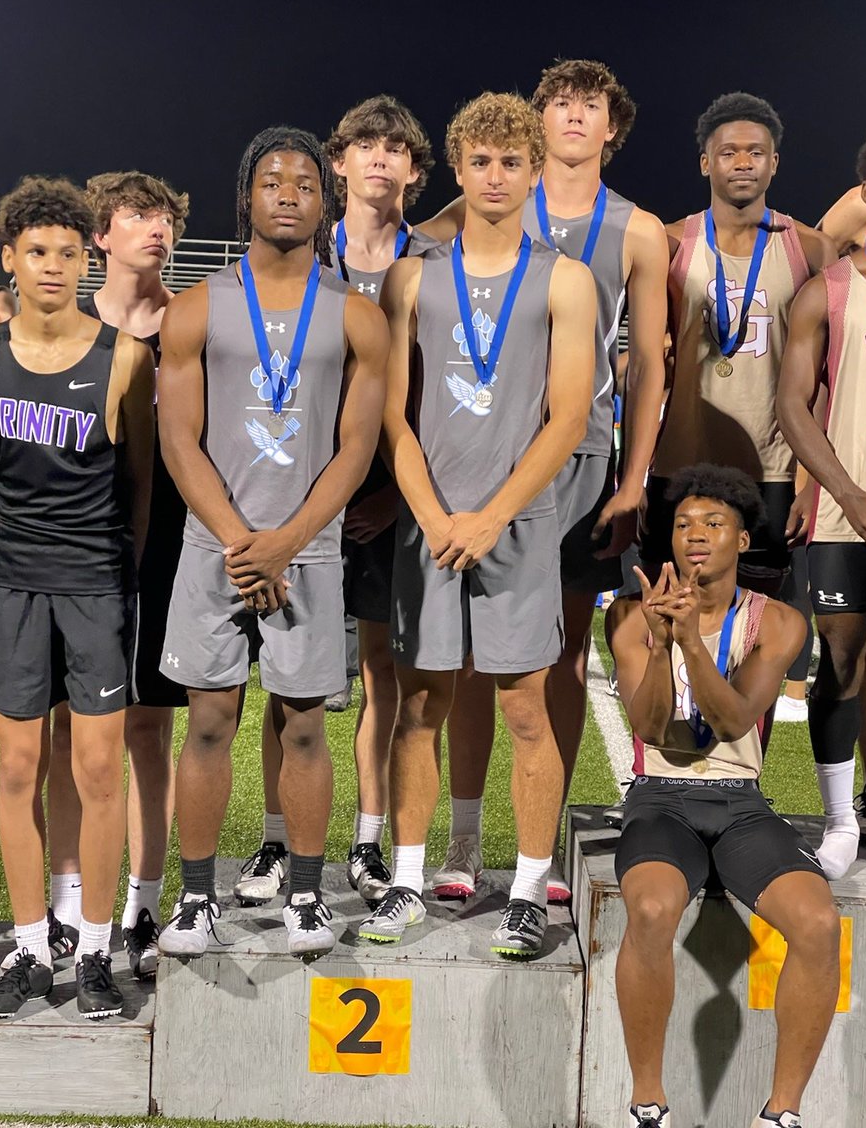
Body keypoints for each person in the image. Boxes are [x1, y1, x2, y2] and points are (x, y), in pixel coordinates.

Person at [423, 59, 669, 902]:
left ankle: (544, 841)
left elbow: (649, 365)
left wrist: (634, 477)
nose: (571, 116)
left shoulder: (638, 229)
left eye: (589, 104)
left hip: (581, 458)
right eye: (558, 102)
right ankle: (463, 841)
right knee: (468, 655)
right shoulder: (488, 197)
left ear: (612, 125)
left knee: (558, 654)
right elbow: (408, 253)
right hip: (481, 454)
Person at [359, 92, 596, 957]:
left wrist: (493, 517)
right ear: (457, 170)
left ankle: (527, 890)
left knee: (527, 705)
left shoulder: (565, 279)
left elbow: (569, 419)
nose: (496, 176)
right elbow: (391, 416)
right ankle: (407, 881)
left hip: (517, 524)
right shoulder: (412, 277)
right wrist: (432, 516)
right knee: (419, 703)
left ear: (535, 172)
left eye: (512, 162)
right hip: (430, 523)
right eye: (482, 162)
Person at [155, 126, 388, 961]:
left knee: (303, 729)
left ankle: (306, 897)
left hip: (309, 552)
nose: (288, 193)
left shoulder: (357, 314)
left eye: (304, 183)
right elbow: (178, 439)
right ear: (246, 198)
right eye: (271, 181)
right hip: (213, 546)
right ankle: (195, 901)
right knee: (209, 722)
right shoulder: (196, 305)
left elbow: (355, 449)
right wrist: (240, 543)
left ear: (325, 203)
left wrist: (285, 542)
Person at [237, 97, 435, 909]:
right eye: (364, 144)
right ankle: (276, 841)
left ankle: (366, 840)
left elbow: (423, 395)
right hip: (299, 498)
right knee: (288, 679)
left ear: (414, 169)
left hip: (385, 500)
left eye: (396, 146)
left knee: (383, 671)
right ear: (339, 162)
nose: (380, 157)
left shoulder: (434, 258)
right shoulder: (298, 248)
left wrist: (393, 495)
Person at [611, 464, 840, 1128]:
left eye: (714, 523)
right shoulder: (629, 616)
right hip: (661, 799)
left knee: (819, 924)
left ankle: (782, 1113)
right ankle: (648, 1103)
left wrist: (690, 643)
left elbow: (736, 719)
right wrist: (662, 645)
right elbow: (651, 726)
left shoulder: (779, 621)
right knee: (651, 909)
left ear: (742, 541)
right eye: (683, 524)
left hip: (741, 801)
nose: (695, 535)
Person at [0, 177, 154, 1018]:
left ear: (85, 261)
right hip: (9, 585)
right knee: (15, 768)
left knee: (97, 770)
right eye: (36, 252)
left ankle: (95, 950)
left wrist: (118, 574)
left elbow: (141, 485)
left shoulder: (123, 357)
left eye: (66, 251)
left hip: (94, 586)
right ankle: (30, 945)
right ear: (10, 260)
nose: (52, 266)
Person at [46, 170, 189, 980]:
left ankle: (142, 902)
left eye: (164, 214)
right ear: (100, 235)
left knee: (148, 729)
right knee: (74, 728)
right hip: (79, 542)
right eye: (136, 214)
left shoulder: (190, 321)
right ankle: (68, 902)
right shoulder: (71, 328)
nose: (156, 226)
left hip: (169, 541)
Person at [643, 92, 837, 593]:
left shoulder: (811, 248)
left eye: (756, 152)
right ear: (705, 162)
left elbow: (826, 378)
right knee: (671, 610)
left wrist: (810, 481)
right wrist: (637, 475)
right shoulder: (669, 242)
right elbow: (647, 363)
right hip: (682, 461)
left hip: (774, 470)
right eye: (729, 152)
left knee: (759, 616)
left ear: (775, 163)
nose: (743, 162)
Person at [777, 120, 866, 877]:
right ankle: (845, 818)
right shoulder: (829, 290)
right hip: (849, 513)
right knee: (843, 662)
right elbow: (792, 405)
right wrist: (844, 493)